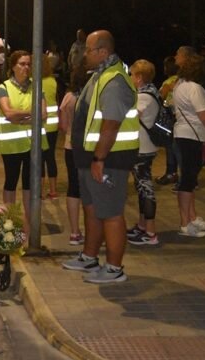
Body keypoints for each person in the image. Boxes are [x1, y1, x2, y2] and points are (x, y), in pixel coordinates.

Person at [61, 30, 138, 284]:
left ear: (103, 52)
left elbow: (111, 124)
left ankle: (115, 269)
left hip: (109, 158)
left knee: (111, 212)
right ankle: (90, 256)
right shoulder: (100, 76)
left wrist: (99, 159)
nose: (84, 54)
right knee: (93, 208)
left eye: (89, 50)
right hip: (91, 155)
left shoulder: (114, 80)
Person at [0, 50, 47, 230]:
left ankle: (28, 223)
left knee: (29, 183)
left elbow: (44, 114)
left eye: (28, 64)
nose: (26, 67)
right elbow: (8, 113)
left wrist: (20, 116)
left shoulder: (37, 86)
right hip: (11, 144)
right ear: (13, 66)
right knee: (11, 180)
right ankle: (11, 220)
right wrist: (32, 114)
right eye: (22, 64)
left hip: (33, 144)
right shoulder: (4, 87)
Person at [171, 52, 205, 237]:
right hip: (191, 137)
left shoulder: (180, 85)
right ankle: (185, 223)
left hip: (185, 135)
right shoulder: (194, 88)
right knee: (187, 181)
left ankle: (192, 217)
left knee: (189, 180)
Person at [126, 60, 160, 246]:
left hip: (143, 148)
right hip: (144, 146)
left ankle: (150, 232)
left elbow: (130, 117)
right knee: (141, 188)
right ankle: (142, 225)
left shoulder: (144, 97)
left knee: (145, 189)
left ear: (139, 78)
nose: (130, 78)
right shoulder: (149, 92)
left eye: (131, 75)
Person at [59, 65, 90, 246]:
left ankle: (74, 232)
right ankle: (92, 229)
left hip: (70, 145)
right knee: (89, 189)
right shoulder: (92, 97)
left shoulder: (68, 97)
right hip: (89, 146)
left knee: (73, 187)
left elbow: (62, 126)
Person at [155, 56, 180, 185]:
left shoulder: (168, 83)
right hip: (179, 116)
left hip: (170, 117)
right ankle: (175, 172)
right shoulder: (180, 80)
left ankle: (171, 173)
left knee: (170, 146)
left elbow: (159, 97)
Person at [41, 56, 60, 200]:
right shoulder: (53, 81)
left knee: (40, 158)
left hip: (41, 124)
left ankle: (40, 190)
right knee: (50, 157)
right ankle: (53, 190)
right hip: (53, 124)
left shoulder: (35, 82)